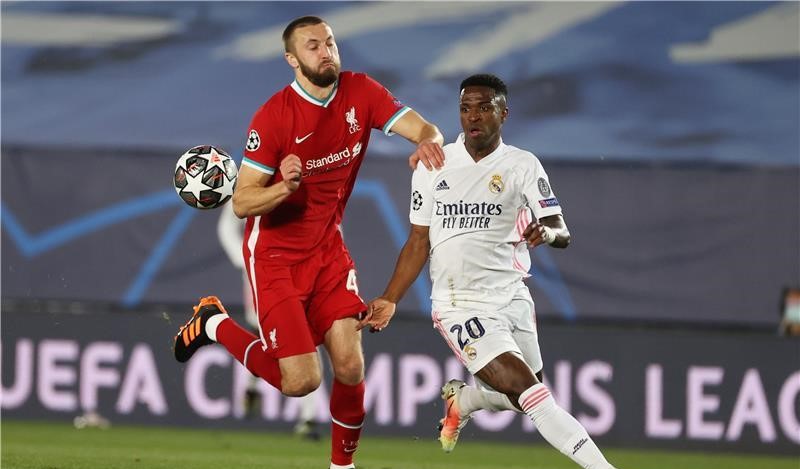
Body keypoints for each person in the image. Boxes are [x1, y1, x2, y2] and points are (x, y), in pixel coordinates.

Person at [173, 15, 444, 469]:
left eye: (330, 43)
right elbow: (242, 202)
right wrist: (285, 187)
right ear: (292, 59)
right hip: (275, 257)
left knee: (351, 365)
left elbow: (426, 129)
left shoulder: (362, 91)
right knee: (301, 382)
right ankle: (214, 323)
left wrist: (427, 143)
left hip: (328, 250)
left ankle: (342, 467)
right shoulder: (274, 116)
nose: (326, 52)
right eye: (313, 46)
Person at [361, 74, 618, 469]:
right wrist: (390, 298)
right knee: (533, 396)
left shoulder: (521, 165)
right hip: (459, 304)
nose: (473, 116)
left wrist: (548, 233)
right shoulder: (434, 163)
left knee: (524, 394)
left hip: (511, 297)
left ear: (503, 113)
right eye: (465, 108)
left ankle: (464, 400)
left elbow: (560, 229)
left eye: (484, 108)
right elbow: (417, 241)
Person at [216, 204, 322, 439]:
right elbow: (226, 226)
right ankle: (251, 387)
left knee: (305, 337)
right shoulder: (252, 183)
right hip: (263, 269)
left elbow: (331, 226)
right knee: (265, 337)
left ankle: (308, 417)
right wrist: (243, 258)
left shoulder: (315, 185)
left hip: (302, 269)